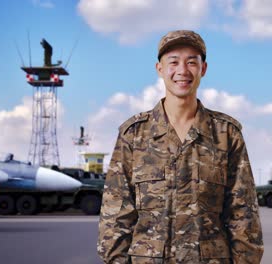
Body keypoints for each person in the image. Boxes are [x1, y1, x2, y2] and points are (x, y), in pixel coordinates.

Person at [98, 30, 263, 264]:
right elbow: (115, 216)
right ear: (160, 69)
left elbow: (244, 215)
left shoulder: (226, 134)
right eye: (173, 62)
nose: (182, 71)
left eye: (191, 62)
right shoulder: (133, 135)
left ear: (203, 69)